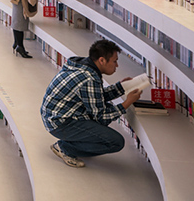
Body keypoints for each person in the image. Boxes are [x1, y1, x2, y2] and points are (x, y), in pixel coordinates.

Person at [41, 39, 142, 168]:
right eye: (115, 61)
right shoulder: (89, 78)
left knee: (108, 109)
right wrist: (126, 104)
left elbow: (95, 96)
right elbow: (101, 118)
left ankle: (69, 144)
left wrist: (120, 87)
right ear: (101, 60)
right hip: (60, 123)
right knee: (116, 142)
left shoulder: (83, 67)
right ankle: (65, 148)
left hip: (55, 115)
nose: (117, 66)